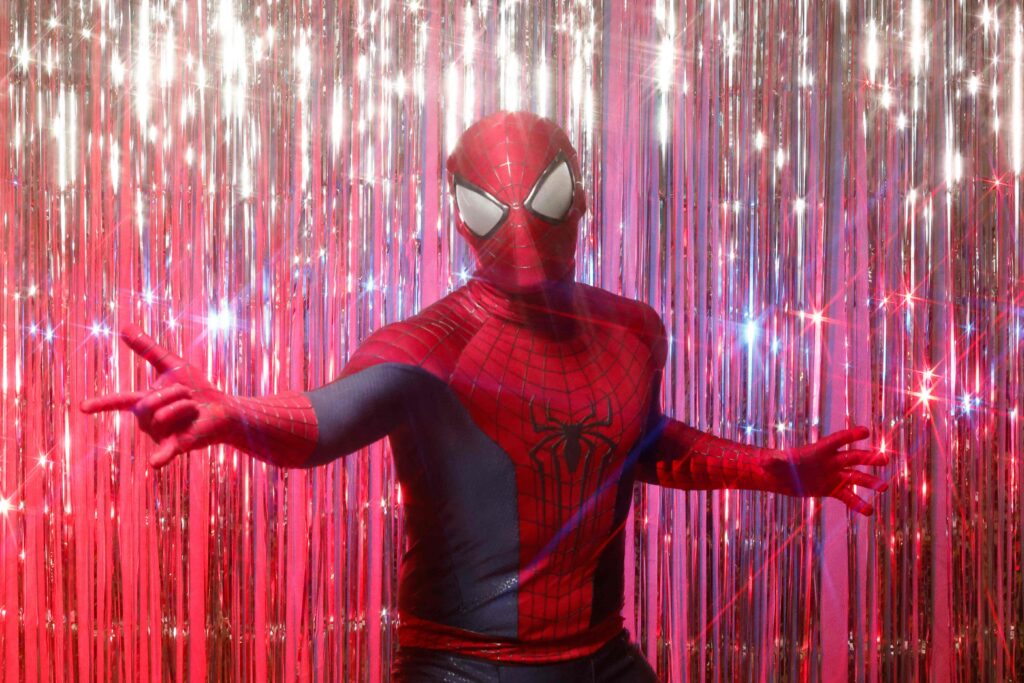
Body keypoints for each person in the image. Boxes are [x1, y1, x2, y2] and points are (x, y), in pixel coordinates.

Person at [81, 111, 889, 682]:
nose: (521, 223)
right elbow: (327, 418)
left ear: (579, 198)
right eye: (490, 203)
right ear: (459, 222)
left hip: (599, 653)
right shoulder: (431, 342)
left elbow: (637, 444)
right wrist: (236, 412)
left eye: (544, 195)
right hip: (461, 666)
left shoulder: (634, 331)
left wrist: (780, 469)